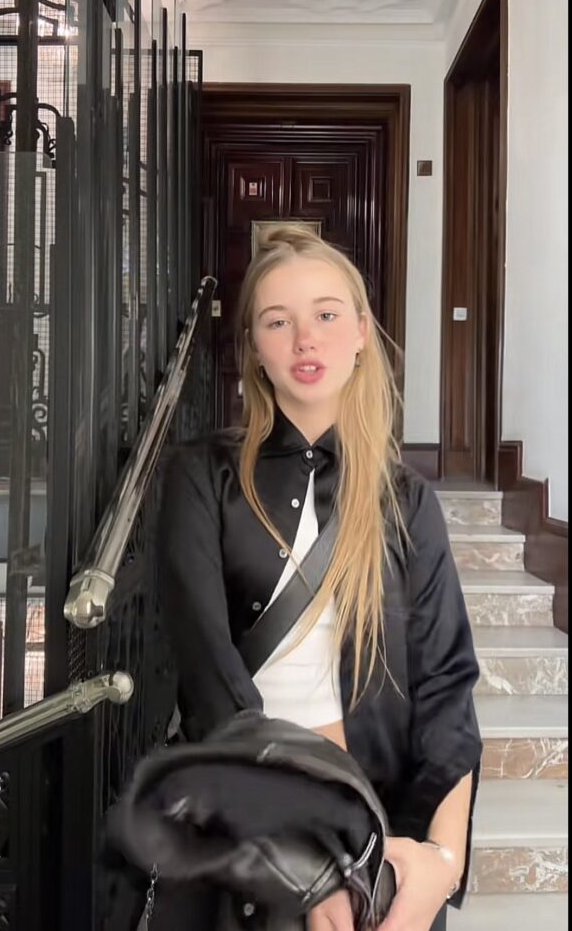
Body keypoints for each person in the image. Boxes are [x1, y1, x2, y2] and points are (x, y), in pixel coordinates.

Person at [159, 224, 483, 931]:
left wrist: (439, 863)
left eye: (327, 315)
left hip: (385, 834)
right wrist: (305, 865)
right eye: (278, 321)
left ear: (362, 332)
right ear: (253, 348)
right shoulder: (200, 477)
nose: (306, 339)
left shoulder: (406, 500)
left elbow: (447, 692)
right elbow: (213, 692)